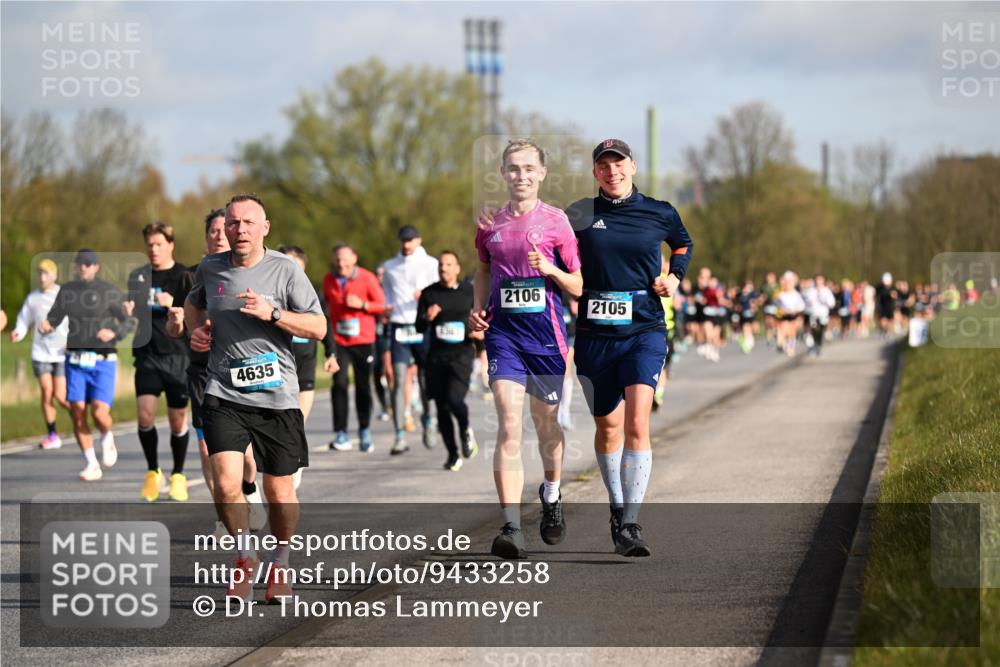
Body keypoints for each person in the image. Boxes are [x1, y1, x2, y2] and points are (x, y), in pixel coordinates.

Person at [185, 193, 327, 603]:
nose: (239, 229)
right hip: (224, 393)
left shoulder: (285, 271)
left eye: (248, 222)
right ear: (224, 230)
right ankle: (245, 557)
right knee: (227, 484)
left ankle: (280, 563)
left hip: (277, 397)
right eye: (233, 223)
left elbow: (318, 327)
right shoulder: (211, 268)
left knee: (279, 491)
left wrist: (275, 315)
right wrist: (197, 333)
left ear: (265, 228)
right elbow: (193, 304)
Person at [566, 138, 692, 557]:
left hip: (645, 330)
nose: (612, 172)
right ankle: (617, 507)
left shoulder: (660, 211)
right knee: (609, 428)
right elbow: (553, 248)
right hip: (594, 336)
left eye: (619, 164)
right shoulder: (580, 214)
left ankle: (633, 522)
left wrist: (674, 278)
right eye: (604, 166)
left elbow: (683, 245)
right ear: (595, 172)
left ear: (633, 167)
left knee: (638, 421)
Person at [471, 139, 584, 559]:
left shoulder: (556, 223)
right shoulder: (489, 223)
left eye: (528, 168)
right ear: (502, 173)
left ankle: (552, 494)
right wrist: (477, 310)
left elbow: (578, 284)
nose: (521, 175)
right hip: (504, 336)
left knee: (547, 427)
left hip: (547, 338)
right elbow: (482, 270)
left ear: (542, 174)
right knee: (508, 425)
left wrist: (550, 268)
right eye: (513, 168)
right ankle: (511, 526)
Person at [169, 209, 265, 535]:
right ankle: (225, 513)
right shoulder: (192, 277)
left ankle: (249, 486)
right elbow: (179, 326)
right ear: (207, 236)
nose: (220, 235)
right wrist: (180, 325)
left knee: (246, 450)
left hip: (241, 367)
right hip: (202, 372)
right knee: (208, 449)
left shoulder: (250, 271)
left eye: (225, 229)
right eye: (213, 230)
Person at [40, 249, 133, 480]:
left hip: (102, 360)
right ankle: (91, 463)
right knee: (78, 412)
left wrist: (113, 332)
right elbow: (55, 316)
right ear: (76, 266)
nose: (84, 267)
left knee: (100, 413)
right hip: (75, 361)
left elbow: (128, 322)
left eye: (89, 264)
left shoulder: (109, 292)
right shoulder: (68, 291)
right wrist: (47, 325)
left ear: (96, 267)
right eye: (81, 263)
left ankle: (107, 436)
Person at [127, 223, 193, 502]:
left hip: (178, 355)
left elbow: (195, 315)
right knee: (145, 414)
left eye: (159, 244)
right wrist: (126, 310)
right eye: (150, 245)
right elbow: (131, 311)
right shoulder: (138, 277)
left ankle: (178, 475)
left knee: (178, 420)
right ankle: (153, 472)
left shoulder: (184, 275)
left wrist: (171, 304)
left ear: (170, 244)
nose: (153, 249)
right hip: (147, 355)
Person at [277, 245, 338, 486]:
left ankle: (296, 463)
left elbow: (326, 327)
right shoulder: (273, 296)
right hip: (278, 369)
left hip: (304, 368)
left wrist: (331, 354)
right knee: (279, 423)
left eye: (296, 267)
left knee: (297, 422)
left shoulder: (315, 296)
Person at [416, 251, 480, 471]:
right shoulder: (429, 294)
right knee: (441, 408)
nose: (444, 268)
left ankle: (465, 429)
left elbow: (483, 317)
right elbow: (418, 328)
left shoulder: (469, 291)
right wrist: (427, 317)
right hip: (436, 358)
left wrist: (480, 340)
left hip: (461, 355)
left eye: (448, 264)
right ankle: (453, 454)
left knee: (454, 400)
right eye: (441, 265)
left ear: (457, 268)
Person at [382, 225, 439, 453]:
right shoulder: (389, 266)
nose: (406, 245)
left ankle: (429, 419)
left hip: (422, 326)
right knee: (398, 380)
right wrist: (386, 306)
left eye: (410, 240)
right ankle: (399, 435)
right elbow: (386, 291)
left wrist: (426, 296)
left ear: (419, 240)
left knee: (425, 380)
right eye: (403, 241)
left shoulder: (431, 263)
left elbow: (439, 291)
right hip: (399, 326)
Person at [322, 243, 383, 453]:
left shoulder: (367, 278)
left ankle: (364, 430)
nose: (341, 263)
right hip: (339, 341)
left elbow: (382, 305)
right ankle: (341, 433)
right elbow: (327, 308)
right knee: (338, 384)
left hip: (363, 341)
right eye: (338, 259)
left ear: (354, 258)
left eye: (345, 259)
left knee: (362, 386)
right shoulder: (328, 280)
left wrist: (363, 305)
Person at [10, 259, 70, 449]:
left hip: (61, 352)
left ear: (54, 275)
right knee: (46, 391)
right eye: (39, 273)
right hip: (40, 353)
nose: (42, 277)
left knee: (61, 397)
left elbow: (74, 320)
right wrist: (17, 333)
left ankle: (79, 417)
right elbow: (23, 320)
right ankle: (52, 434)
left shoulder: (63, 295)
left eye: (46, 273)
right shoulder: (32, 298)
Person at [802, 275, 836, 356]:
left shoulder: (826, 291)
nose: (818, 282)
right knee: (814, 330)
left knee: (821, 330)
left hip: (823, 315)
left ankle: (818, 345)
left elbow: (832, 303)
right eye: (817, 280)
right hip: (813, 315)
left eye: (820, 280)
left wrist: (824, 299)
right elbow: (805, 301)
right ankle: (813, 345)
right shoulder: (811, 291)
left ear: (823, 281)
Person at [774, 271, 805, 356]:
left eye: (790, 283)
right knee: (783, 329)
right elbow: (776, 304)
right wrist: (781, 310)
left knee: (792, 333)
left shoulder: (796, 294)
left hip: (794, 315)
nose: (788, 285)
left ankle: (791, 347)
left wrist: (796, 311)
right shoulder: (781, 294)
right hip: (784, 315)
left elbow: (801, 306)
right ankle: (781, 342)